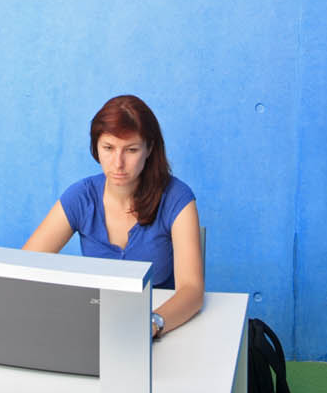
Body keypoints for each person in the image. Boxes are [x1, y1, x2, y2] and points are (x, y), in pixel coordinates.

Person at [21, 94, 203, 338]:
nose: (118, 163)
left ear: (149, 148)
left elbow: (192, 290)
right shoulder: (81, 196)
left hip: (165, 329)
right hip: (95, 327)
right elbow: (26, 265)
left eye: (131, 149)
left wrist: (152, 324)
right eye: (108, 148)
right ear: (96, 147)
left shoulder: (177, 198)